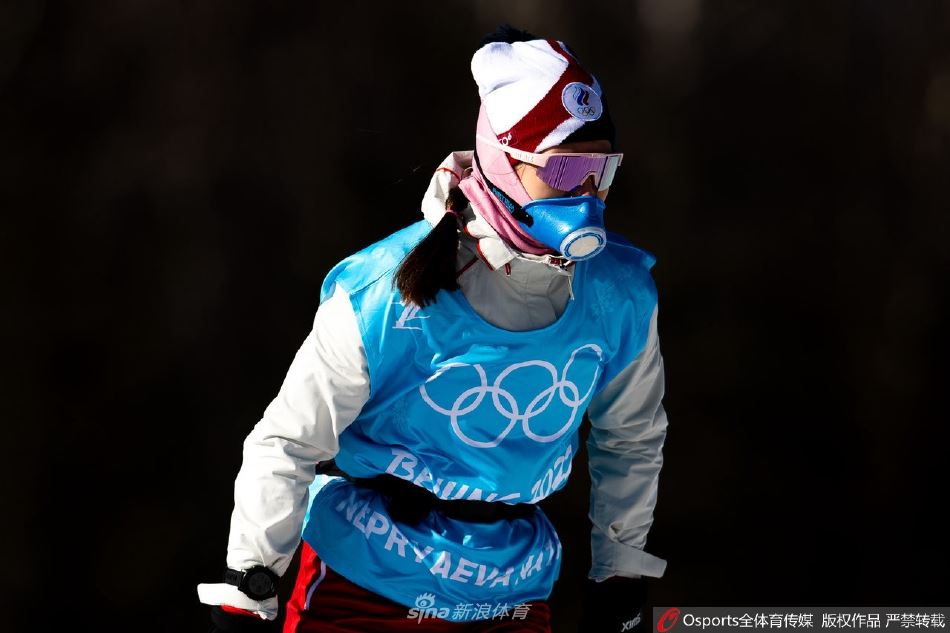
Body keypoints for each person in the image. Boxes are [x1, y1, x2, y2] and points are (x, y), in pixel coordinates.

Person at [198, 25, 669, 633]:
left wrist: (620, 569)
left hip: (510, 591)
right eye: (564, 168)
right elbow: (289, 440)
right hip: (365, 582)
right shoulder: (384, 291)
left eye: (602, 170)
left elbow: (630, 435)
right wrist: (249, 584)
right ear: (503, 162)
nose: (587, 192)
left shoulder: (618, 293)